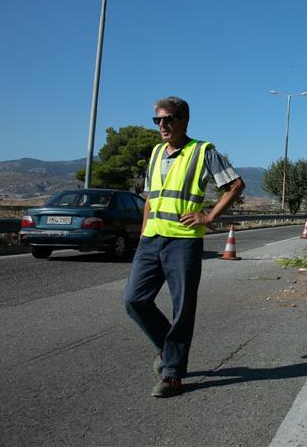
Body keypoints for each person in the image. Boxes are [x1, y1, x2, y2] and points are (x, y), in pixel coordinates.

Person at [124, 96, 244, 398]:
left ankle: (173, 373)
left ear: (184, 120)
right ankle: (169, 351)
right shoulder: (154, 153)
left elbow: (235, 185)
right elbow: (150, 198)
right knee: (134, 300)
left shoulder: (203, 151)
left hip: (184, 241)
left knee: (182, 309)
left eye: (169, 119)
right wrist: (142, 236)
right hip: (151, 240)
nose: (163, 125)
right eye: (158, 120)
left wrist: (209, 216)